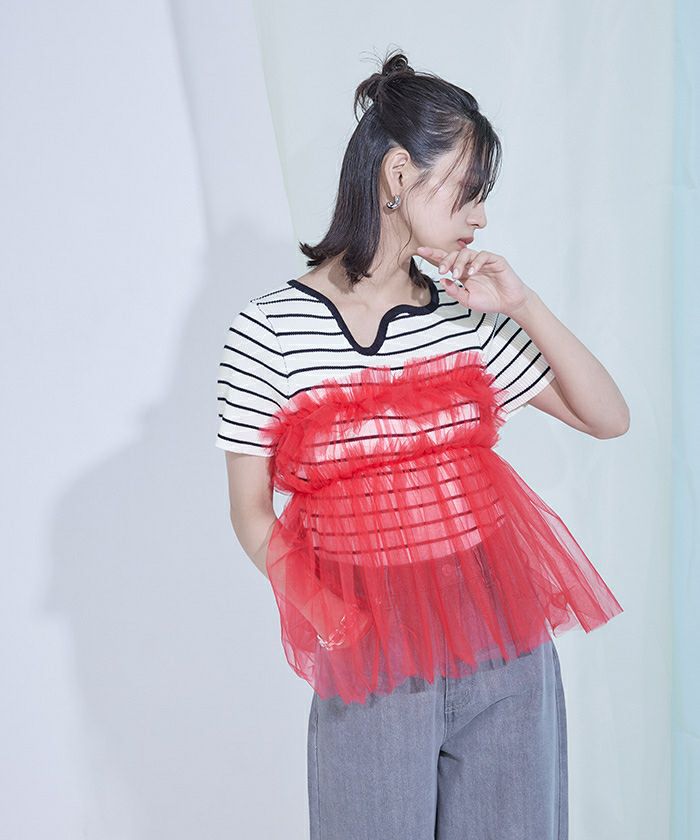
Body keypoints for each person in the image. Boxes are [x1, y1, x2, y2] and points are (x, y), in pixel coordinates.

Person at [216, 49, 628, 840]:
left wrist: (522, 303)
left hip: (501, 635)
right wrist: (334, 620)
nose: (481, 216)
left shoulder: (466, 315)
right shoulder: (268, 330)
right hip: (371, 648)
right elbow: (250, 513)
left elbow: (607, 417)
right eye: (470, 190)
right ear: (399, 173)